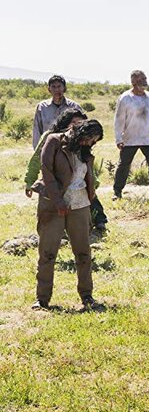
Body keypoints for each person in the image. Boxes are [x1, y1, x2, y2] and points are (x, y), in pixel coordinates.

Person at [34, 119, 104, 311]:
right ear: (80, 131)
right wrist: (58, 202)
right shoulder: (54, 140)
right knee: (47, 253)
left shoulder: (86, 152)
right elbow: (46, 171)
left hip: (80, 204)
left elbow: (88, 177)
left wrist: (91, 195)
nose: (90, 143)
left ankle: (87, 296)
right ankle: (42, 299)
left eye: (94, 141)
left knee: (83, 253)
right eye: (89, 138)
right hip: (53, 204)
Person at [26, 108, 108, 235]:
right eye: (74, 122)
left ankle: (99, 222)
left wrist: (93, 182)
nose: (77, 126)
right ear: (65, 122)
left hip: (77, 184)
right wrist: (29, 181)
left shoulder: (82, 140)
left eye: (80, 123)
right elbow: (37, 161)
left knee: (89, 199)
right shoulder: (51, 138)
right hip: (56, 182)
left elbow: (85, 166)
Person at [112, 70, 149, 202]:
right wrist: (118, 139)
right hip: (130, 139)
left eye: (144, 79)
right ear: (133, 82)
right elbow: (119, 120)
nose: (143, 82)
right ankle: (117, 191)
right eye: (140, 80)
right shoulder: (125, 98)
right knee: (124, 165)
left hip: (148, 138)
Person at [32, 75, 80, 149]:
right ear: (49, 89)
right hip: (47, 148)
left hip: (68, 149)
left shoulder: (74, 107)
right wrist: (37, 149)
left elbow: (82, 128)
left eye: (59, 86)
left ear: (65, 88)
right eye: (53, 87)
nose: (56, 90)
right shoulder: (42, 107)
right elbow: (37, 130)